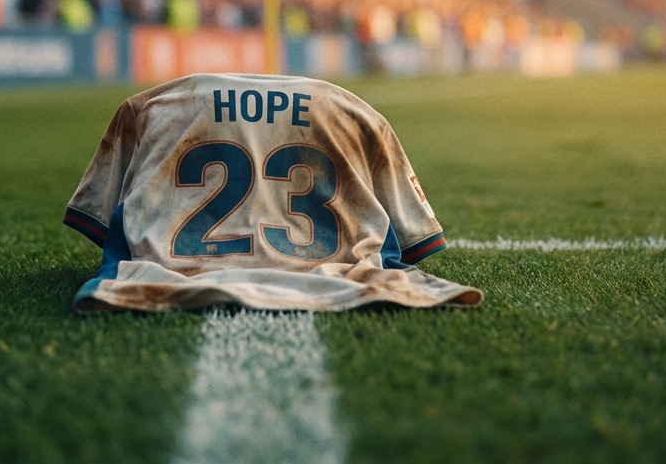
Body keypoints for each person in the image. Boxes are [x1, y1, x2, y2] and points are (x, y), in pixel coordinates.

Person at [63, 73, 482, 313]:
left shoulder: (149, 108)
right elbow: (415, 244)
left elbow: (96, 222)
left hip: (157, 278)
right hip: (349, 280)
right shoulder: (357, 112)